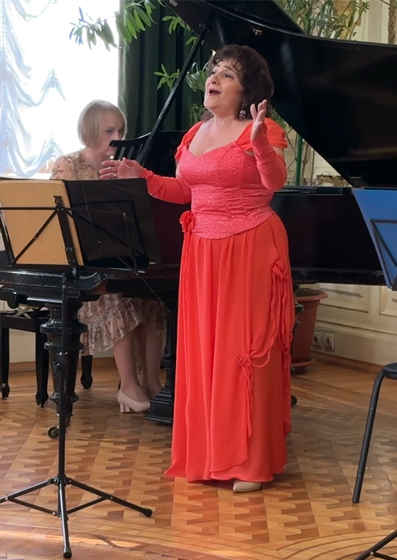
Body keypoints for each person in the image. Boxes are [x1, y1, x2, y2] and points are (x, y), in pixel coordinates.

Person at [99, 45, 294, 492]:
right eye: (214, 71)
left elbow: (275, 183)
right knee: (205, 353)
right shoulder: (196, 132)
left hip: (249, 246)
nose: (214, 79)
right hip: (202, 250)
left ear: (246, 91)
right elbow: (185, 191)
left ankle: (250, 462)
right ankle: (210, 457)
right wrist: (143, 177)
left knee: (243, 352)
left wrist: (259, 142)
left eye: (228, 74)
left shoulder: (263, 130)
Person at [49, 100, 167, 413]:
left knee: (151, 298)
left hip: (118, 260)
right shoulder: (67, 165)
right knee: (117, 297)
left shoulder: (123, 168)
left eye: (120, 131)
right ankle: (128, 385)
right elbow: (64, 225)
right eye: (109, 131)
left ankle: (152, 382)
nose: (117, 138)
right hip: (81, 267)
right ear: (90, 131)